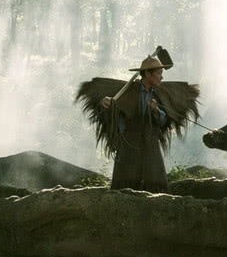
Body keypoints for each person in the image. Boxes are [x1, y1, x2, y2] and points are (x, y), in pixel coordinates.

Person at [76, 48, 200, 193]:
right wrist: (107, 104)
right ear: (147, 74)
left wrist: (156, 111)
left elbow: (164, 121)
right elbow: (114, 113)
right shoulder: (128, 91)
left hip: (151, 144)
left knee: (155, 184)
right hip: (129, 145)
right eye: (159, 73)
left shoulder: (160, 94)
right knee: (124, 186)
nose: (162, 77)